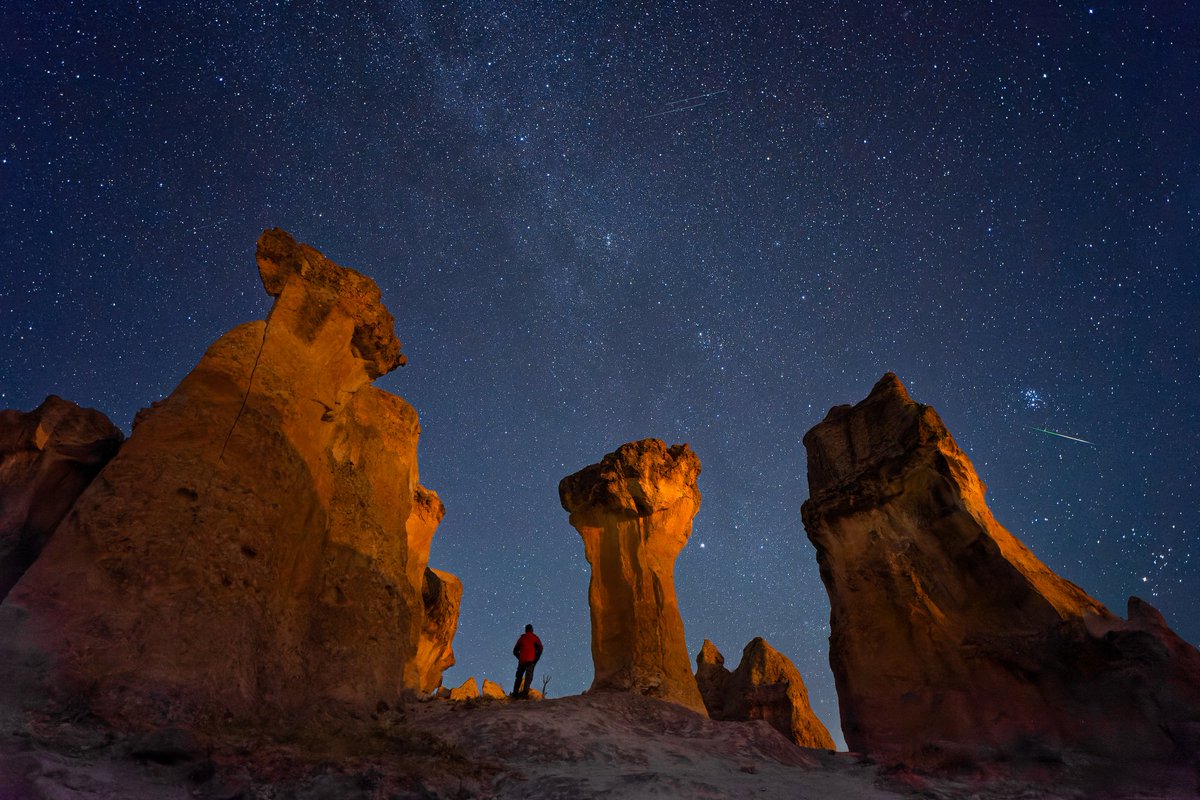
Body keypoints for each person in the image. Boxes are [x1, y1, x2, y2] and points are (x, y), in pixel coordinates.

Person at [511, 623, 543, 699]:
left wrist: (520, 657)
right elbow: (541, 649)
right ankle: (524, 694)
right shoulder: (535, 638)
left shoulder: (522, 638)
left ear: (525, 630)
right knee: (528, 677)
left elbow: (515, 651)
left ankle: (515, 694)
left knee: (519, 677)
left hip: (522, 661)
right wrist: (535, 659)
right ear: (532, 630)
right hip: (531, 661)